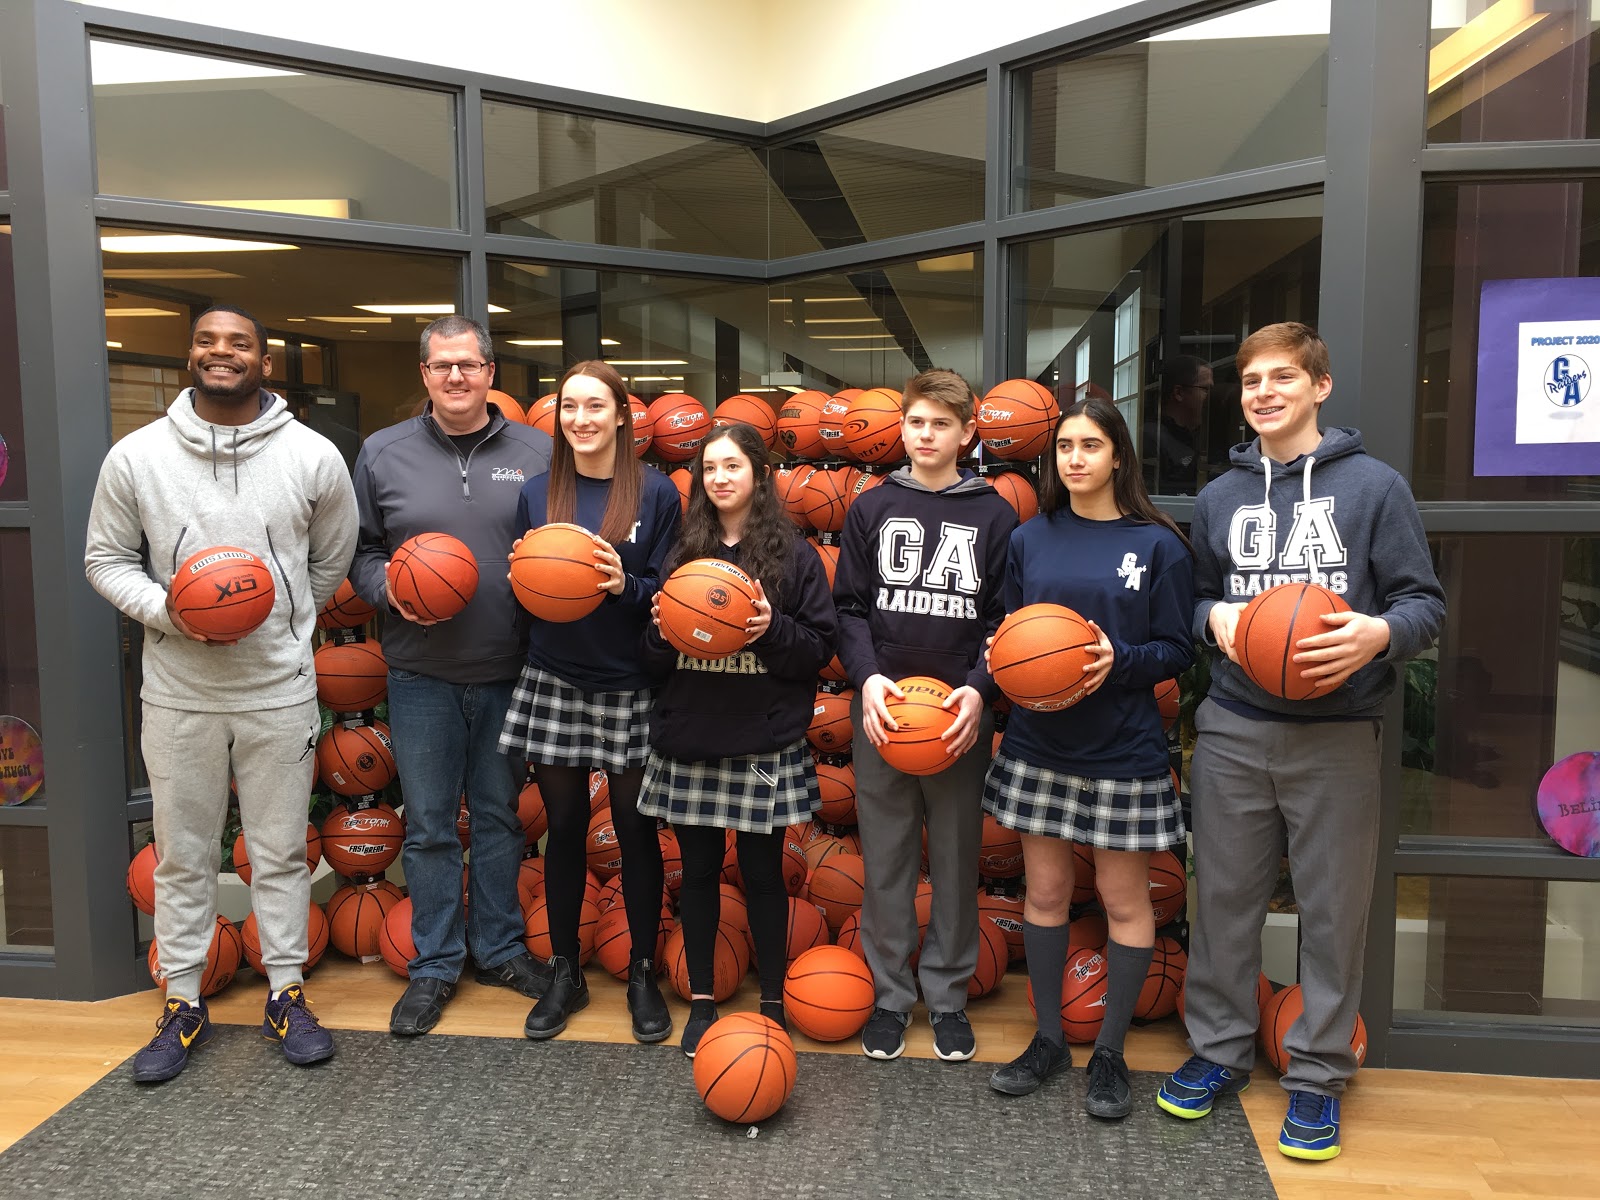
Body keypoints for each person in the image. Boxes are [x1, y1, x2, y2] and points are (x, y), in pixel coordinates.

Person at [1156, 322, 1445, 1161]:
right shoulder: (1219, 498)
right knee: (1223, 907)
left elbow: (1424, 601)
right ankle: (1217, 1052)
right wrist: (1217, 618)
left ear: (1320, 387)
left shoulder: (1375, 489)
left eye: (1284, 377)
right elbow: (1197, 596)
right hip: (1236, 728)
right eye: (1251, 382)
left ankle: (1317, 1076)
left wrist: (1375, 635)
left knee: (1332, 913)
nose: (1265, 392)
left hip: (1338, 734)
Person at [85, 305, 358, 1081]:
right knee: (182, 857)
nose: (222, 353)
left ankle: (285, 992)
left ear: (263, 361)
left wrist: (272, 618)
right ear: (191, 354)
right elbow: (105, 560)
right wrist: (170, 610)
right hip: (178, 692)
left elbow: (330, 561)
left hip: (277, 688)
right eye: (208, 341)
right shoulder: (135, 457)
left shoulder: (312, 456)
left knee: (278, 852)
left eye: (239, 343)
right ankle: (181, 1003)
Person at [982, 396, 1194, 1118]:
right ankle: (1047, 1039)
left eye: (1090, 446)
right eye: (1064, 447)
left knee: (1123, 901)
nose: (1074, 458)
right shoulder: (1030, 538)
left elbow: (1178, 648)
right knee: (1043, 896)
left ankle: (1110, 1053)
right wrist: (1004, 658)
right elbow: (1010, 631)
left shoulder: (1159, 545)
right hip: (1040, 745)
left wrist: (1119, 659)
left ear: (1118, 457)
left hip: (1123, 746)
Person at [350, 315, 554, 1037]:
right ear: (425, 375)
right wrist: (388, 589)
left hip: (510, 672)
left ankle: (497, 948)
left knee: (499, 818)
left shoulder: (538, 450)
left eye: (469, 364)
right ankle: (435, 964)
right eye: (442, 367)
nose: (456, 377)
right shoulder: (381, 453)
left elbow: (557, 550)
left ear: (492, 372)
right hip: (420, 674)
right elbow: (363, 552)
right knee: (432, 825)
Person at [833, 368, 1018, 1063]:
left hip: (958, 717)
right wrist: (870, 680)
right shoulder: (869, 507)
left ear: (968, 431)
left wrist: (979, 689)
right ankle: (889, 996)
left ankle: (945, 996)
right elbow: (846, 608)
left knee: (955, 857)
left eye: (942, 424)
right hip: (883, 712)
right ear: (902, 427)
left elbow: (1005, 620)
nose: (927, 435)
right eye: (917, 422)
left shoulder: (996, 513)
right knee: (884, 861)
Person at [637, 422, 838, 1057]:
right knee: (696, 871)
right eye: (710, 468)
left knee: (761, 875)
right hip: (692, 735)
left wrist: (768, 628)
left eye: (733, 466)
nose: (720, 478)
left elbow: (817, 652)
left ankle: (773, 1001)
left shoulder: (795, 556)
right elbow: (648, 661)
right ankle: (701, 1000)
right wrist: (661, 632)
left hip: (763, 742)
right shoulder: (682, 550)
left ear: (758, 473)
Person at [500, 361, 682, 1042]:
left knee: (635, 830)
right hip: (554, 676)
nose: (580, 419)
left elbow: (668, 594)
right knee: (566, 826)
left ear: (620, 416)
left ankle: (640, 969)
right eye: (569, 407)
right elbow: (524, 590)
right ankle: (566, 971)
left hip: (630, 682)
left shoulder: (657, 494)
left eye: (594, 406)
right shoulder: (535, 493)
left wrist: (620, 586)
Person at [1144, 354, 1213, 496]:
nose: (1211, 397)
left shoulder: (1200, 435)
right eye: (1206, 389)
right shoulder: (1151, 438)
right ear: (1179, 393)